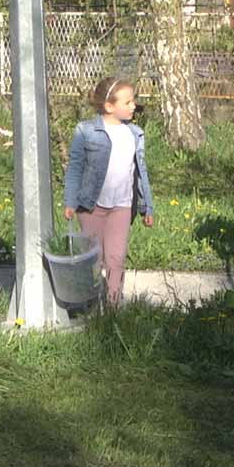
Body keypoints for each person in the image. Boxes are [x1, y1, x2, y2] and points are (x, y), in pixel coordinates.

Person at [63, 77, 154, 304]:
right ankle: (91, 306)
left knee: (116, 258)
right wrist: (70, 201)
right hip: (90, 206)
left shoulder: (135, 134)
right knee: (94, 258)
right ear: (109, 106)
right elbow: (75, 167)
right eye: (127, 102)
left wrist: (147, 207)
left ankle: (113, 307)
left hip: (122, 206)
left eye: (133, 101)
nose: (133, 106)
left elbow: (141, 172)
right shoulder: (86, 131)